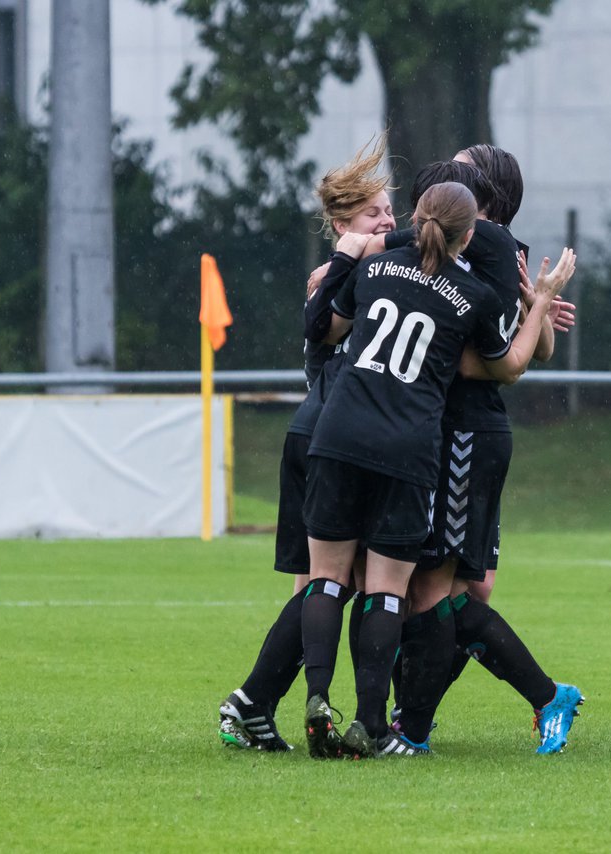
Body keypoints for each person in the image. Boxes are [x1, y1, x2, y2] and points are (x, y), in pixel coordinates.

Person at [299, 182, 576, 759]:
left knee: (330, 581)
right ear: (469, 234)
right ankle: (382, 726)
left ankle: (323, 700)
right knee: (398, 591)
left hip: (343, 432)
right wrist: (542, 299)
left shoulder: (377, 270)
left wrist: (338, 266)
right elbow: (514, 365)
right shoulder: (471, 293)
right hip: (409, 445)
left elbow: (325, 326)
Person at [390, 146, 585, 755]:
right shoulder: (457, 244)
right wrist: (538, 307)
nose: (449, 175)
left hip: (465, 433)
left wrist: (537, 308)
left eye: (463, 170)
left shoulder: (496, 248)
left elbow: (527, 357)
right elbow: (533, 345)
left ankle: (414, 724)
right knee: (459, 593)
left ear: (487, 194)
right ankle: (412, 718)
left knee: (439, 593)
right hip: (452, 433)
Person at [217, 137, 395, 752]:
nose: (389, 223)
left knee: (319, 588)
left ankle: (254, 705)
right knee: (333, 585)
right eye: (375, 213)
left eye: (391, 212)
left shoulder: (358, 272)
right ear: (343, 224)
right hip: (325, 440)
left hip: (326, 437)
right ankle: (250, 702)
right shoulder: (338, 277)